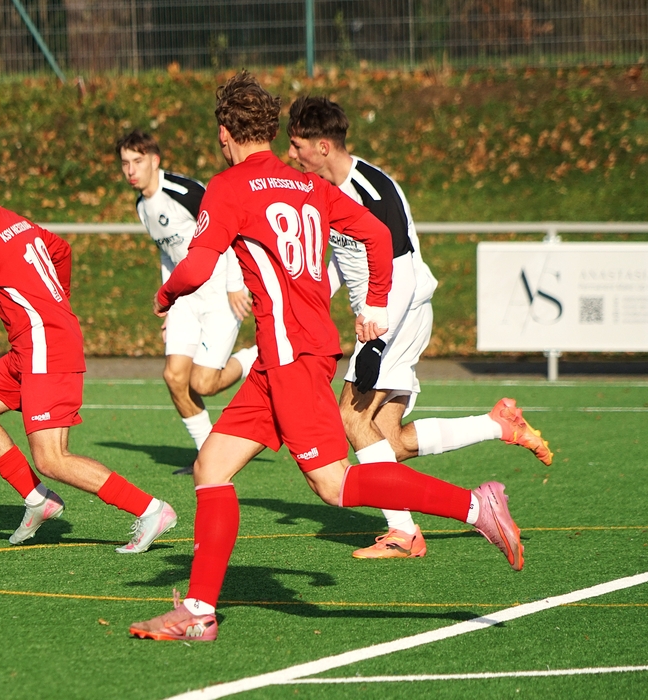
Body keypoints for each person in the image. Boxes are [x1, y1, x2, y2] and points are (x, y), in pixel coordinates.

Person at [129, 72, 524, 643]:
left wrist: (166, 295)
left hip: (291, 355)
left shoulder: (229, 187)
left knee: (336, 486)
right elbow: (378, 235)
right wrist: (376, 304)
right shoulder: (306, 185)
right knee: (210, 467)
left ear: (224, 134)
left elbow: (194, 267)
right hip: (286, 354)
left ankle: (474, 506)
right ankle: (198, 610)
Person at [286, 96, 553, 559]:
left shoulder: (373, 192)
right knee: (387, 440)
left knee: (352, 417)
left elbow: (404, 273)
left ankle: (403, 532)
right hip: (386, 319)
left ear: (322, 146)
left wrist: (378, 338)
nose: (290, 154)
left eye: (296, 145)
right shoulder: (325, 188)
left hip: (397, 314)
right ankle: (497, 425)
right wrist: (308, 299)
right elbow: (343, 262)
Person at [0, 150, 178, 554]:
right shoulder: (15, 221)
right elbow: (61, 250)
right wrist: (56, 301)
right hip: (31, 347)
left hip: (46, 347)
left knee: (52, 459)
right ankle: (37, 499)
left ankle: (151, 509)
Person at [117, 130, 257, 461]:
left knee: (203, 384)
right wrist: (169, 303)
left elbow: (229, 229)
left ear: (155, 160)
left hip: (219, 291)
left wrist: (235, 284)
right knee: (175, 377)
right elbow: (168, 255)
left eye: (138, 161)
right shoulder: (142, 206)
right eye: (125, 163)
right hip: (187, 298)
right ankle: (207, 454)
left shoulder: (184, 192)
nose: (131, 170)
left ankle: (254, 357)